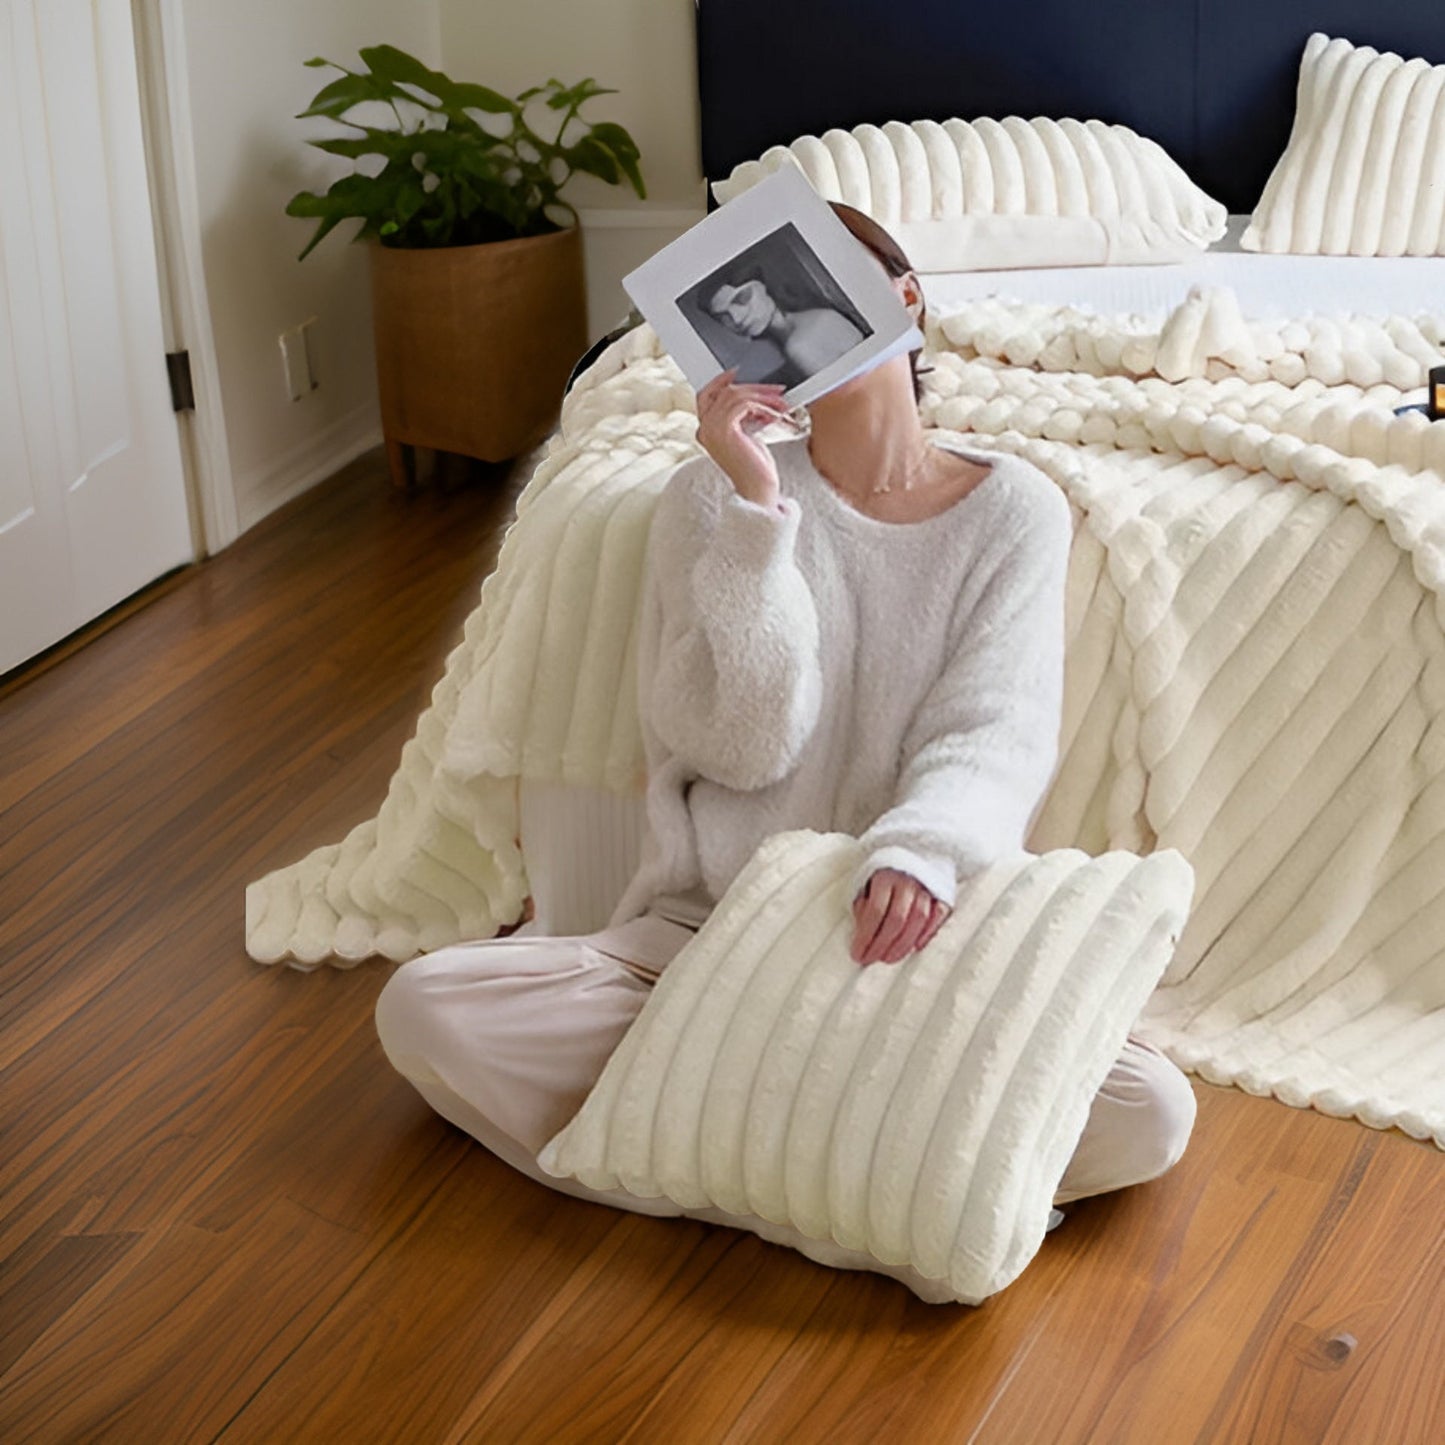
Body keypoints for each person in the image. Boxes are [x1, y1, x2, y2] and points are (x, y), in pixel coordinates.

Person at [375, 204, 1197, 1278]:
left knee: (1149, 1109)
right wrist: (756, 514)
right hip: (706, 939)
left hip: (894, 939)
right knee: (426, 1006)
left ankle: (708, 1146)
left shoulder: (1015, 510)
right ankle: (837, 1179)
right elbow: (742, 746)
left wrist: (918, 852)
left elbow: (993, 731)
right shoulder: (704, 502)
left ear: (902, 297)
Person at [704, 272, 864, 386]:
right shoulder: (820, 317)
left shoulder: (800, 345)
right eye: (724, 317)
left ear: (762, 288)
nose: (737, 318)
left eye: (741, 298)